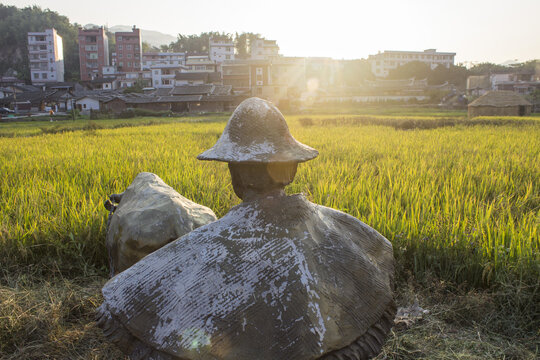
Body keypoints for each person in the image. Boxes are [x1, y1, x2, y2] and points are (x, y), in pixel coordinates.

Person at [97, 98, 395, 360]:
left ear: (235, 174)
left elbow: (115, 310)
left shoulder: (201, 247)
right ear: (291, 169)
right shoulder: (353, 232)